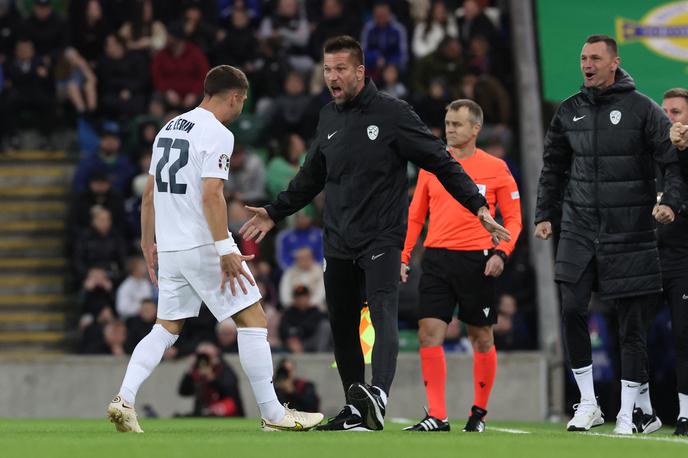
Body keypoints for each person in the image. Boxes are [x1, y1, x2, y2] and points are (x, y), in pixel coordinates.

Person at [239, 35, 510, 432]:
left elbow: (440, 161)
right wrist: (274, 212)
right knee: (343, 326)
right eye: (327, 69)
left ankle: (378, 396)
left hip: (382, 237)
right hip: (338, 239)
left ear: (360, 72)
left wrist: (478, 205)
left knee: (382, 315)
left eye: (340, 69)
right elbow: (310, 177)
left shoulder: (393, 114)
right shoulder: (328, 117)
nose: (332, 77)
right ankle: (355, 408)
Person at [106, 65, 323, 433]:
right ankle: (273, 415)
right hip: (203, 244)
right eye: (243, 101)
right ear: (236, 97)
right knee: (254, 320)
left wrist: (147, 243)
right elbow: (212, 193)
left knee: (166, 327)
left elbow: (149, 193)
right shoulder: (218, 133)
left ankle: (124, 400)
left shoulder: (167, 129)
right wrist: (226, 248)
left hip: (171, 247)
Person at [534, 35, 685, 435]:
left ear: (614, 63)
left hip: (630, 230)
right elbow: (552, 168)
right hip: (580, 228)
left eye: (595, 58)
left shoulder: (643, 110)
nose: (587, 64)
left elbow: (670, 162)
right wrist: (544, 214)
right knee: (571, 308)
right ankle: (587, 403)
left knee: (630, 326)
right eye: (583, 57)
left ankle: (627, 411)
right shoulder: (569, 111)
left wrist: (670, 201)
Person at [400, 99, 522, 432]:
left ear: (475, 129)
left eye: (457, 124)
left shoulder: (496, 168)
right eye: (448, 123)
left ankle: (478, 413)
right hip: (437, 258)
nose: (450, 130)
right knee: (428, 334)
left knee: (481, 338)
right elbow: (415, 215)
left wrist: (501, 254)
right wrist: (405, 255)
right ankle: (437, 415)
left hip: (478, 260)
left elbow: (513, 220)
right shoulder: (432, 165)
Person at [650, 87, 688, 436]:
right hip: (646, 254)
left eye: (676, 112)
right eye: (664, 111)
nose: (669, 118)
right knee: (632, 331)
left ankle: (686, 413)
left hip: (682, 257)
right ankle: (639, 410)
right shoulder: (651, 153)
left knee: (683, 336)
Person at [178, 342, 244, 417]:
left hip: (227, 411)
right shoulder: (197, 371)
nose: (205, 360)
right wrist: (189, 370)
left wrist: (211, 377)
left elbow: (230, 390)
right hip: (203, 412)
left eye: (208, 356)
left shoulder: (223, 368)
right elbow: (184, 392)